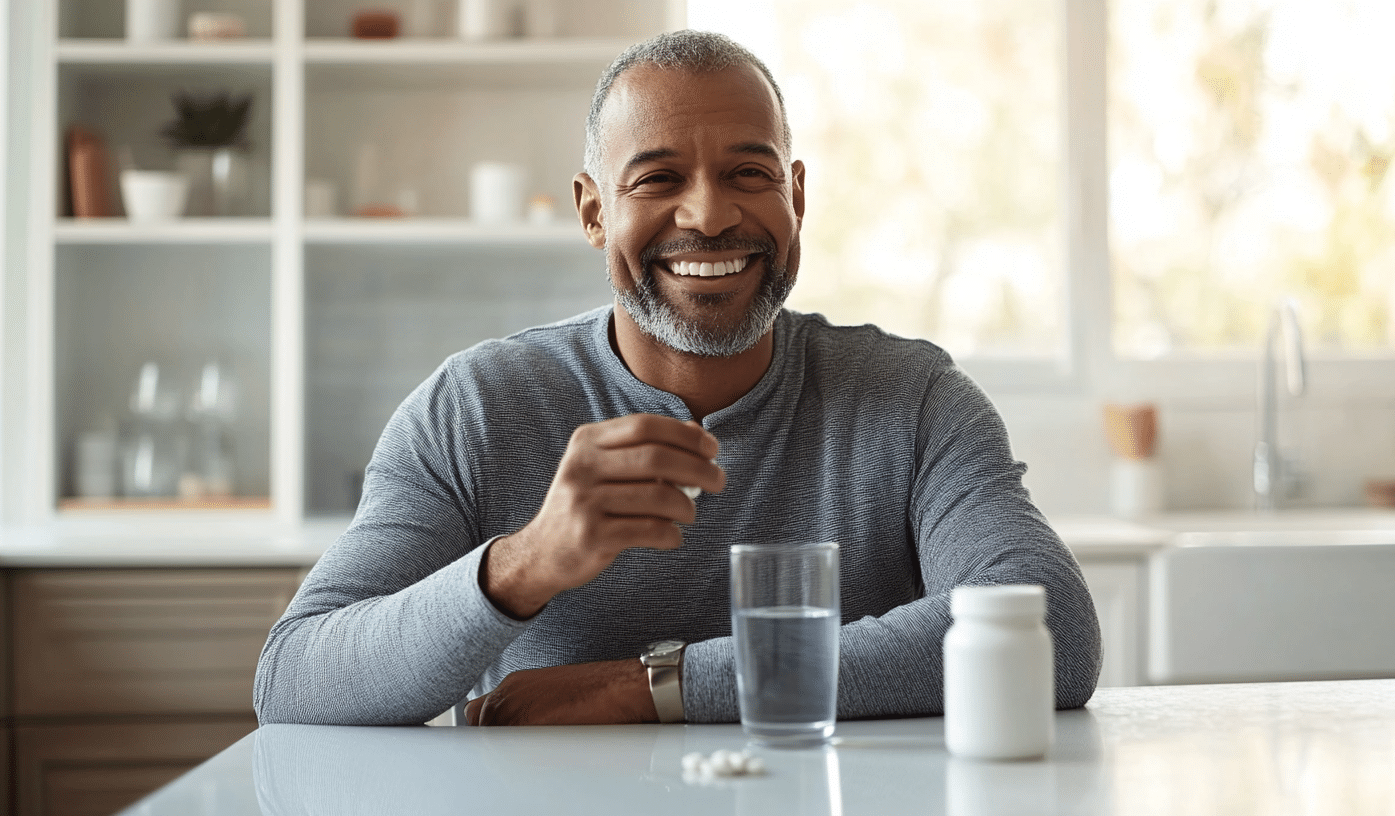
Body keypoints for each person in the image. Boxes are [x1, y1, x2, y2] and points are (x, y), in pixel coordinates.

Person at [253, 30, 1101, 727]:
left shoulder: (910, 399)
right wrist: (524, 563)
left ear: (796, 197)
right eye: (658, 178)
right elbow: (294, 680)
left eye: (749, 173)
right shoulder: (473, 410)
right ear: (593, 211)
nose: (709, 214)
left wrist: (653, 687)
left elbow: (1048, 625)